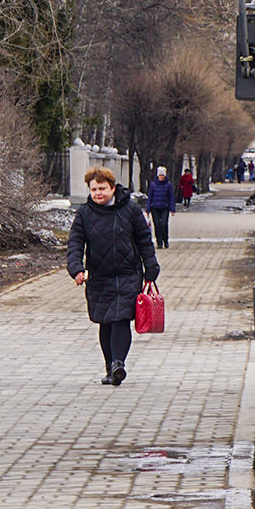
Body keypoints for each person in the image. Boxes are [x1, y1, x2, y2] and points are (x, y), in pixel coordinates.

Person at [67, 166, 159, 386]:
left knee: (120, 319)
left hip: (128, 274)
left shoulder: (129, 209)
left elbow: (144, 240)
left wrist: (151, 268)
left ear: (112, 187)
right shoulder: (85, 213)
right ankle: (111, 368)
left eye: (102, 189)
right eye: (94, 189)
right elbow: (76, 242)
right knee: (105, 321)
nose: (98, 193)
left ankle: (118, 363)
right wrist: (76, 268)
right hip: (99, 276)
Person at [145, 165, 175, 249]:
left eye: (162, 175)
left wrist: (172, 209)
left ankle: (165, 239)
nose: (161, 177)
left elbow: (171, 197)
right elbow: (150, 197)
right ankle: (159, 241)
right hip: (155, 208)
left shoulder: (168, 185)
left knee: (163, 224)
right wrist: (148, 209)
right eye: (160, 175)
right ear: (157, 175)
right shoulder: (153, 185)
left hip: (165, 207)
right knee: (157, 224)